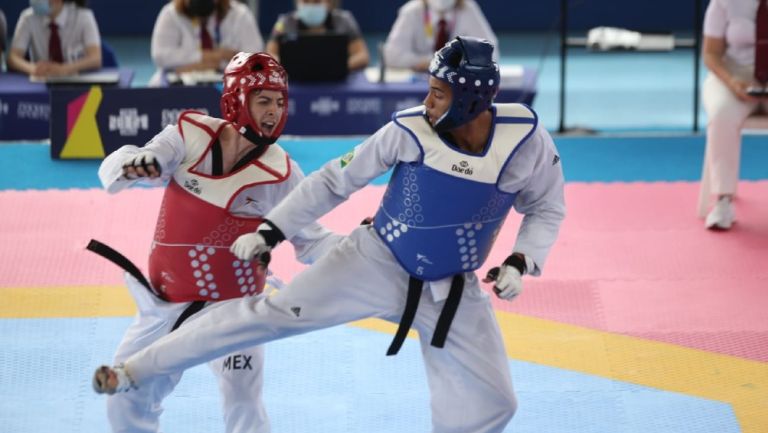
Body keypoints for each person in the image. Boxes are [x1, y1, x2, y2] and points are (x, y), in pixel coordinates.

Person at [93, 37, 566, 433]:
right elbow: (335, 180)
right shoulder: (187, 133)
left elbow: (547, 206)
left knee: (498, 402)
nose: (428, 101)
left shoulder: (525, 141)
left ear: (470, 99)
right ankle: (133, 371)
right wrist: (270, 231)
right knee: (258, 321)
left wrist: (521, 260)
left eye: (439, 94)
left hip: (448, 286)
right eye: (264, 100)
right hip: (363, 265)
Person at [91, 52, 341, 433]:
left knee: (243, 403)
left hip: (235, 308)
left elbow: (313, 241)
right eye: (263, 101)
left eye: (279, 101)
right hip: (165, 303)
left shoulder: (282, 173)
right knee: (125, 397)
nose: (274, 111)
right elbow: (127, 163)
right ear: (235, 101)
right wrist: (137, 164)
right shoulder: (187, 135)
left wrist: (364, 250)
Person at [699, 0, 768, 230]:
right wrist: (733, 82)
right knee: (721, 113)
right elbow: (711, 53)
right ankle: (723, 200)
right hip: (732, 74)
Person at [149, 0, 263, 86]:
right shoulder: (170, 14)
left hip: (231, 84)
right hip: (177, 82)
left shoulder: (240, 15)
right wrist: (212, 56)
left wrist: (217, 65)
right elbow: (161, 56)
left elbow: (255, 58)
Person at [383, 0, 497, 72]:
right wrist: (424, 62)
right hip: (419, 80)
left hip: (457, 81)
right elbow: (391, 56)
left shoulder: (468, 9)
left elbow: (491, 53)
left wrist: (458, 63)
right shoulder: (411, 11)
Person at [266, 0, 369, 71]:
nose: (310, 6)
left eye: (316, 1)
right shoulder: (283, 22)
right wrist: (288, 67)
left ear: (328, 2)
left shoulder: (345, 20)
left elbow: (362, 56)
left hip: (335, 82)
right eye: (305, 1)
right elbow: (269, 55)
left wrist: (337, 68)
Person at [7, 0, 102, 77]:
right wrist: (33, 69)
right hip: (41, 79)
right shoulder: (28, 17)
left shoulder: (84, 16)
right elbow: (13, 57)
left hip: (74, 77)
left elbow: (95, 58)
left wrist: (64, 69)